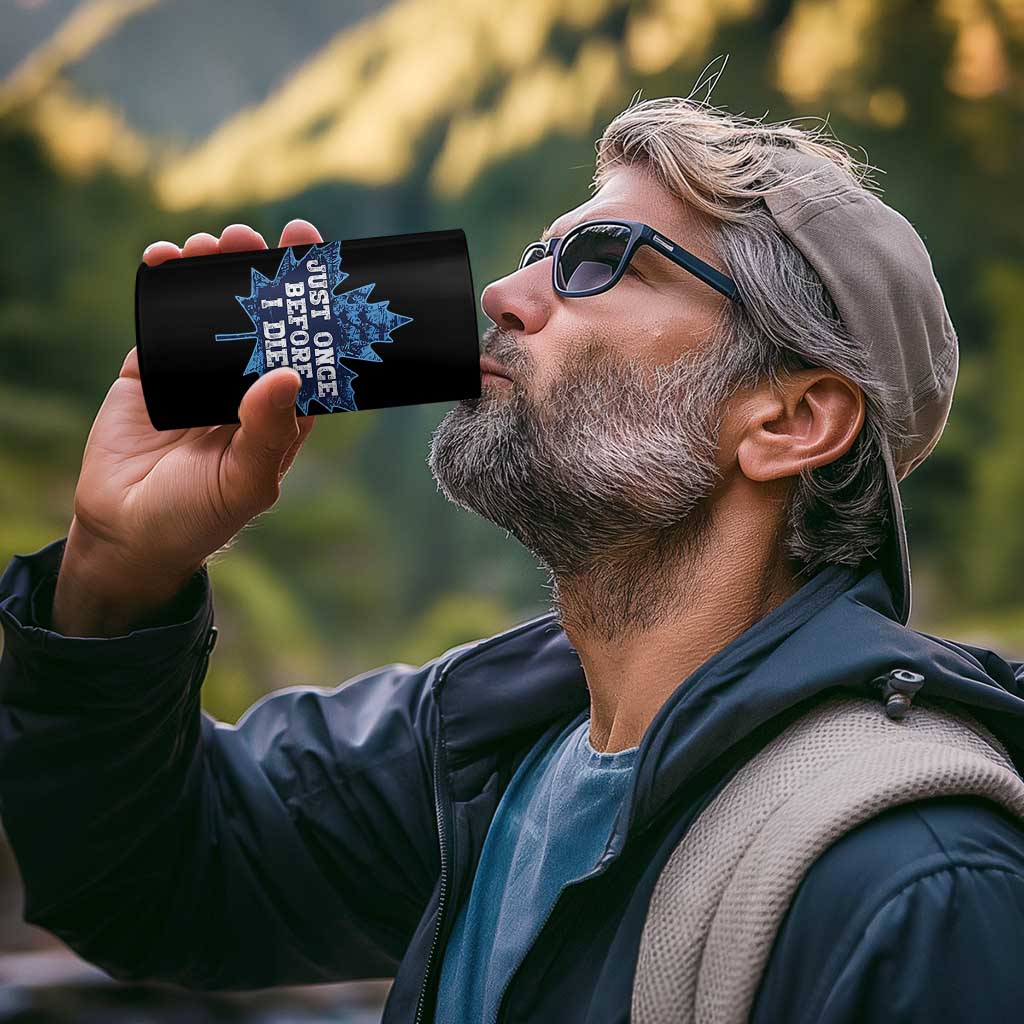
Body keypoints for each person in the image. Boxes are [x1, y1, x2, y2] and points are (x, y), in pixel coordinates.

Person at [2, 95, 1024, 1024]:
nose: (502, 291)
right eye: (540, 252)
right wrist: (116, 571)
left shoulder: (918, 884)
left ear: (791, 419)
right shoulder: (480, 748)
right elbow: (149, 880)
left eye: (599, 261)